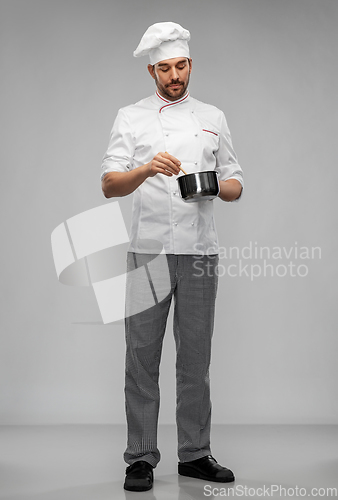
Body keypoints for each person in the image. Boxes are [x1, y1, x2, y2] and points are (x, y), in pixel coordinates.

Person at [101, 22, 243, 492]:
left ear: (189, 65)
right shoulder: (131, 117)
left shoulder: (212, 116)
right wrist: (145, 169)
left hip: (200, 253)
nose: (175, 75)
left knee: (195, 360)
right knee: (140, 358)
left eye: (181, 65)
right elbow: (108, 185)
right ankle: (140, 457)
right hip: (149, 252)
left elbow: (237, 182)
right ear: (152, 70)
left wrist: (213, 186)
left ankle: (195, 455)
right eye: (165, 68)